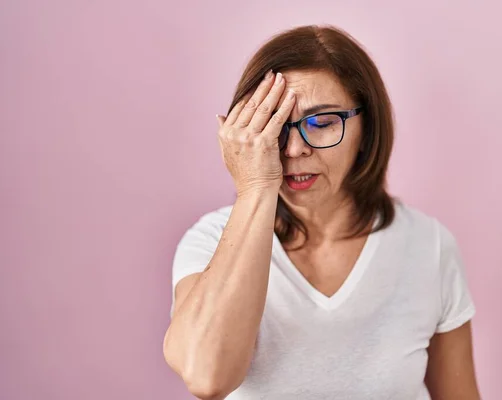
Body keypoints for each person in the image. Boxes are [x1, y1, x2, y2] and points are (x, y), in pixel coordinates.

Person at [163, 25, 481, 400]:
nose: (294, 148)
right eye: (275, 126)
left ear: (367, 128)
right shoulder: (209, 241)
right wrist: (254, 190)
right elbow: (207, 377)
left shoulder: (428, 245)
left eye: (322, 122)